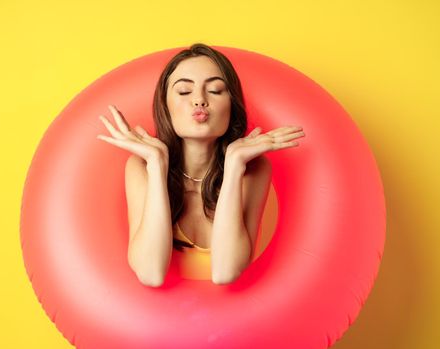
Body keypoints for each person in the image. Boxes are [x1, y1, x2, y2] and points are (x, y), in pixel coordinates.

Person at [96, 43, 305, 287]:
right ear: (166, 106)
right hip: (156, 321)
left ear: (232, 105)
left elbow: (226, 272)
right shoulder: (142, 166)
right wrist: (157, 164)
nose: (199, 100)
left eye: (215, 90)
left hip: (236, 321)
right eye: (184, 92)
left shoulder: (253, 170)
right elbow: (151, 273)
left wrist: (235, 165)